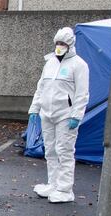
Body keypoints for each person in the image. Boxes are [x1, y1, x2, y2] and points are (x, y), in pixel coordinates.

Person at [28, 27, 89, 204]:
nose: (59, 47)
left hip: (66, 115)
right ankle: (53, 184)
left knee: (65, 151)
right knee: (51, 150)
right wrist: (34, 109)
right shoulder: (50, 63)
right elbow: (41, 87)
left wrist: (76, 115)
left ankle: (65, 189)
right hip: (47, 113)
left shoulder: (79, 65)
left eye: (62, 44)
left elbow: (82, 93)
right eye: (57, 43)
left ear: (70, 44)